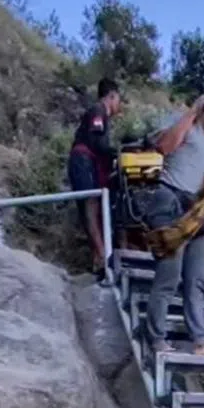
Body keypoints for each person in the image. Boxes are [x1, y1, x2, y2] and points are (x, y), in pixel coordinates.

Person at [142, 88, 204, 356]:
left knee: (196, 279)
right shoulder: (187, 124)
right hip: (170, 201)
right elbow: (164, 147)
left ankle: (200, 342)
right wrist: (193, 111)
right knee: (169, 277)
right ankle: (156, 339)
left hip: (196, 211)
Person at [67, 78, 124, 278]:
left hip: (86, 162)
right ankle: (101, 255)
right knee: (91, 204)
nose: (119, 105)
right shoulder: (98, 111)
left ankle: (99, 257)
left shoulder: (100, 115)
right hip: (83, 161)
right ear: (111, 96)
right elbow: (97, 143)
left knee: (95, 205)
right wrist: (117, 152)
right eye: (118, 100)